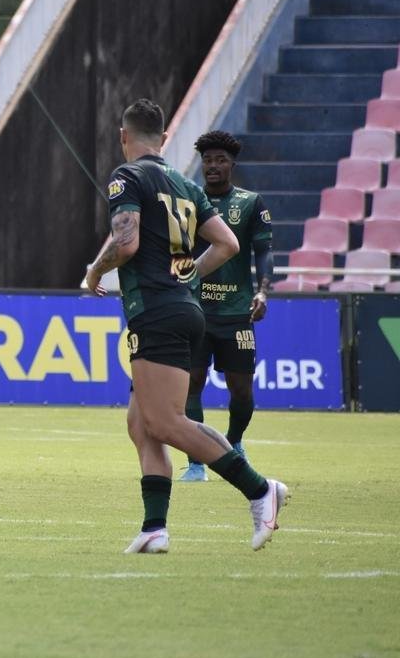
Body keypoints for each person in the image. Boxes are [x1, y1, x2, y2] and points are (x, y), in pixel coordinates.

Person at [85, 99, 289, 553]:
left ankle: (260, 490)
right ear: (165, 139)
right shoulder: (186, 185)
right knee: (142, 424)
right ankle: (154, 527)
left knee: (165, 420)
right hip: (183, 307)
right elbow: (229, 243)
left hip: (156, 308)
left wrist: (96, 271)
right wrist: (192, 273)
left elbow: (126, 242)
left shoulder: (128, 177)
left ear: (123, 135)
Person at [179, 131, 273, 482]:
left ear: (232, 164)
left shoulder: (251, 203)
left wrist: (263, 291)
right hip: (195, 310)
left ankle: (233, 444)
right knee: (191, 383)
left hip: (237, 313)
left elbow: (264, 252)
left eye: (220, 160)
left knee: (242, 390)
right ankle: (196, 462)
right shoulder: (188, 201)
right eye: (207, 160)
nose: (213, 166)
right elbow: (177, 250)